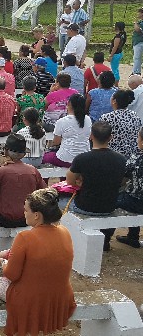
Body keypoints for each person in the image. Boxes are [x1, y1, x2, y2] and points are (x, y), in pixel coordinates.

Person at [0, 188, 76, 336]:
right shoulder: (64, 231)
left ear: (36, 215)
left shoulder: (24, 237)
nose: (24, 213)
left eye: (26, 210)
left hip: (31, 299)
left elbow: (12, 274)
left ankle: (22, 326)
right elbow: (44, 250)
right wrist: (10, 253)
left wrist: (3, 262)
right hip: (60, 295)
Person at [65, 121, 128, 250]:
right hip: (109, 205)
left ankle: (69, 240)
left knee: (61, 200)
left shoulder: (82, 158)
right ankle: (105, 239)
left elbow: (69, 181)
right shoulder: (121, 159)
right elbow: (123, 182)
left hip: (85, 205)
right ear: (111, 137)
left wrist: (81, 182)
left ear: (91, 136)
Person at [0, 134, 47, 231]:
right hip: (26, 218)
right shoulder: (33, 171)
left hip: (4, 219)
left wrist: (0, 166)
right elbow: (43, 190)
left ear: (6, 151)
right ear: (24, 154)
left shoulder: (2, 170)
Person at [43, 94, 91, 167]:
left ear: (68, 104)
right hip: (84, 157)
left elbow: (56, 142)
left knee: (44, 157)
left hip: (66, 158)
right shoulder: (88, 119)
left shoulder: (62, 121)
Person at [114, 127, 143, 248]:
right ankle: (132, 237)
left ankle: (105, 239)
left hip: (136, 201)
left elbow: (123, 175)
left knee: (113, 200)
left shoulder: (137, 157)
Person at [100, 89, 142, 159]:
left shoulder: (107, 117)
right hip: (131, 155)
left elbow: (101, 137)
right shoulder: (135, 116)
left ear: (114, 101)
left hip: (113, 155)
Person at [133, 7, 143, 75]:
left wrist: (135, 23)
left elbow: (138, 30)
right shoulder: (140, 22)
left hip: (140, 42)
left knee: (137, 58)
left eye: (139, 12)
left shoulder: (140, 23)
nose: (138, 14)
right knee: (137, 58)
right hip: (138, 41)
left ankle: (136, 72)